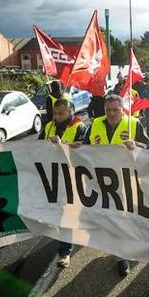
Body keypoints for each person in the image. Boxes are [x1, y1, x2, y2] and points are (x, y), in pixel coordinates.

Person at [83, 94, 149, 276]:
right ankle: (122, 257)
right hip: (103, 184)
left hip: (128, 181)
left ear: (122, 109)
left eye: (115, 110)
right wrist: (71, 146)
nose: (111, 114)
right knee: (113, 220)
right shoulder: (95, 124)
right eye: (108, 110)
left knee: (128, 219)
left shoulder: (134, 124)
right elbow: (84, 146)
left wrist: (135, 144)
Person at [38, 98, 88, 268]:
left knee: (67, 214)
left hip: (71, 177)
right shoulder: (48, 126)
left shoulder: (79, 126)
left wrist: (62, 145)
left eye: (61, 113)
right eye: (55, 113)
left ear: (70, 111)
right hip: (52, 175)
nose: (57, 116)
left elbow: (83, 152)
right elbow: (36, 147)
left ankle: (65, 252)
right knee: (60, 213)